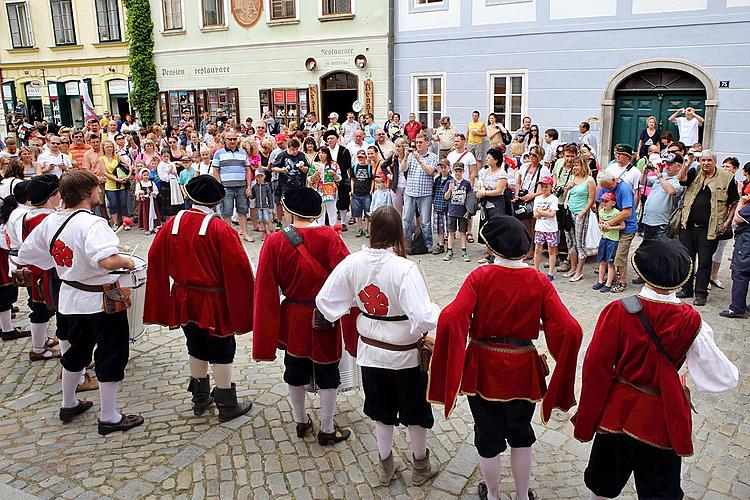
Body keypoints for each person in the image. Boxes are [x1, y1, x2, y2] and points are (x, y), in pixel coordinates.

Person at [428, 216, 582, 500]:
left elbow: (450, 317)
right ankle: (523, 496)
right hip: (523, 367)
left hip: (483, 366)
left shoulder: (480, 276)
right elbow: (571, 329)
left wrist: (453, 347)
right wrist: (559, 352)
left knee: (487, 436)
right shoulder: (539, 280)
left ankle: (494, 495)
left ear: (494, 248)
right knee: (521, 433)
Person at [574, 237, 738, 500]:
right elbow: (723, 378)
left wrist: (587, 419)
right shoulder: (691, 321)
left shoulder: (617, 311)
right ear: (683, 277)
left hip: (617, 412)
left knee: (603, 486)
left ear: (641, 270)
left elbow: (595, 368)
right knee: (659, 492)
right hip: (661, 418)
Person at [315, 206, 440, 486]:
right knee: (415, 411)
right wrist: (437, 312)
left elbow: (325, 301)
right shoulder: (405, 268)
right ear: (398, 233)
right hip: (404, 356)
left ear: (371, 230)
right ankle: (420, 466)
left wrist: (350, 306)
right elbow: (422, 318)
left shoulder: (352, 262)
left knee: (380, 410)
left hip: (370, 353)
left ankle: (385, 466)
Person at [19, 170, 145, 435]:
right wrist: (129, 261)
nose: (99, 192)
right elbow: (107, 261)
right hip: (99, 300)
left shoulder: (51, 221)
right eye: (97, 189)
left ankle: (69, 403)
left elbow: (28, 253)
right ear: (88, 193)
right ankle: (109, 416)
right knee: (111, 353)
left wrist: (66, 265)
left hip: (69, 298)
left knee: (74, 351)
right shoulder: (92, 224)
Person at [144, 175, 254, 422]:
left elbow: (155, 257)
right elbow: (238, 267)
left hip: (183, 296)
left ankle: (200, 397)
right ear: (217, 201)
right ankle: (226, 404)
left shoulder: (172, 224)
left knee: (194, 343)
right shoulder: (221, 229)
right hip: (213, 300)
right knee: (222, 347)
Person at [253, 188, 354, 446]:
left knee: (294, 369)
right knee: (327, 371)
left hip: (294, 316)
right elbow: (348, 276)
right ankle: (328, 429)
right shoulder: (330, 238)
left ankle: (300, 421)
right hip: (325, 315)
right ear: (317, 211)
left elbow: (264, 287)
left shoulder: (275, 241)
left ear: (288, 211)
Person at [676, 149, 738, 306]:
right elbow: (681, 180)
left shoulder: (727, 177)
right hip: (688, 225)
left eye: (709, 160)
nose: (705, 163)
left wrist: (727, 221)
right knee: (687, 259)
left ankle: (701, 293)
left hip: (709, 228)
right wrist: (686, 163)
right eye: (703, 160)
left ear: (715, 161)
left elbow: (733, 202)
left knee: (704, 262)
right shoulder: (694, 171)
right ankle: (686, 289)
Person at [597, 171, 638, 293]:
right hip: (610, 229)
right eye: (604, 187)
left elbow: (627, 212)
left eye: (608, 187)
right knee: (610, 256)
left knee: (620, 256)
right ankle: (612, 278)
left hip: (627, 228)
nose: (606, 190)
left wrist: (609, 223)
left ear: (614, 180)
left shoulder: (624, 189)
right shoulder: (605, 186)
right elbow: (600, 205)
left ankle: (622, 282)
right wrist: (601, 220)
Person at [212, 130, 253, 242]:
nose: (233, 141)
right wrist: (220, 185)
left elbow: (248, 170)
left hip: (241, 186)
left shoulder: (243, 153)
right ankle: (228, 236)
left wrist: (248, 186)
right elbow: (215, 171)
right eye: (230, 139)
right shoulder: (218, 153)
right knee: (227, 212)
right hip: (226, 187)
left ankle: (244, 233)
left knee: (243, 210)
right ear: (225, 140)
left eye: (235, 139)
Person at [401, 133, 438, 250]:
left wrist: (420, 160)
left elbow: (430, 171)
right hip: (410, 191)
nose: (418, 145)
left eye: (420, 142)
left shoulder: (433, 157)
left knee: (426, 221)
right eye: (416, 143)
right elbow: (403, 169)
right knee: (406, 219)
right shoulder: (411, 156)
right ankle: (404, 242)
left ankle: (428, 244)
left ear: (426, 143)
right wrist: (406, 157)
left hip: (425, 193)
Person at [562, 156, 597, 282]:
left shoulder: (590, 180)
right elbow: (566, 195)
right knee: (570, 242)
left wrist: (583, 212)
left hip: (580, 213)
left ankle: (579, 271)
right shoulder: (572, 178)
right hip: (569, 212)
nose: (575, 167)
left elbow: (591, 199)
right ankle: (572, 268)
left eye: (577, 165)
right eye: (574, 165)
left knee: (580, 243)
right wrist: (568, 188)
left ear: (583, 166)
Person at [720, 192, 750, 318]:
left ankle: (737, 308)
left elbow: (737, 218)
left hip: (746, 243)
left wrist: (741, 203)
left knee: (740, 274)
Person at [592, 192, 623, 293]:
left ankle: (608, 283)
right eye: (603, 201)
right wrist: (601, 226)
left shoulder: (616, 213)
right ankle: (600, 281)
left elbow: (622, 226)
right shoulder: (601, 211)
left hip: (612, 240)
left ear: (613, 203)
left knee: (610, 263)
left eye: (606, 201)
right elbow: (600, 222)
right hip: (603, 238)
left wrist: (610, 227)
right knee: (602, 261)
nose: (604, 203)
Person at [99, 140, 132, 230]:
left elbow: (128, 165)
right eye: (107, 147)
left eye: (110, 146)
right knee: (113, 204)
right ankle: (115, 223)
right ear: (104, 148)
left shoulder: (117, 156)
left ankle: (125, 222)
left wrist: (128, 176)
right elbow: (104, 173)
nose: (109, 148)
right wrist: (117, 179)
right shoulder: (102, 159)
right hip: (110, 184)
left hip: (121, 183)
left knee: (123, 204)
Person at [443, 162, 472, 262]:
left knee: (463, 232)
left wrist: (468, 211)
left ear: (463, 171)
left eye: (460, 171)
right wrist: (450, 190)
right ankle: (449, 250)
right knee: (451, 232)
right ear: (453, 171)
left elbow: (469, 198)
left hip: (462, 212)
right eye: (456, 171)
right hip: (452, 211)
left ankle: (464, 251)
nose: (458, 173)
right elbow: (446, 197)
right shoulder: (449, 182)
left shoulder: (466, 184)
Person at [533, 176, 559, 281]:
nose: (544, 189)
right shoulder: (537, 199)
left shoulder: (554, 199)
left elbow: (552, 214)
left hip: (551, 228)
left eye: (546, 186)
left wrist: (541, 211)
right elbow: (535, 214)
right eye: (542, 186)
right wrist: (545, 212)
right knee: (537, 249)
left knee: (552, 251)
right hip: (539, 227)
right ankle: (535, 269)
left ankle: (551, 272)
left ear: (550, 187)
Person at [307, 146, 340, 227]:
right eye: (319, 153)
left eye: (323, 153)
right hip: (318, 189)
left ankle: (333, 229)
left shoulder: (333, 164)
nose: (321, 155)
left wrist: (334, 174)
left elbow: (339, 178)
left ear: (327, 154)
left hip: (330, 188)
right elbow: (310, 179)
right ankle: (321, 228)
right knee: (321, 210)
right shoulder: (315, 165)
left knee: (331, 210)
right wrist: (315, 175)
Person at [431, 160, 452, 255]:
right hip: (437, 204)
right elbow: (434, 192)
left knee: (448, 226)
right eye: (441, 167)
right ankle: (441, 245)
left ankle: (450, 246)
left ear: (448, 167)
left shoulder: (451, 180)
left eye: (445, 167)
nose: (443, 170)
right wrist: (433, 201)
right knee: (439, 227)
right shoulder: (437, 179)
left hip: (447, 206)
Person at [351, 149, 373, 237]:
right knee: (357, 212)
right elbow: (352, 179)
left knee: (367, 212)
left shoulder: (369, 167)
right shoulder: (355, 167)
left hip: (366, 193)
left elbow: (372, 180)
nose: (361, 159)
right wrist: (352, 189)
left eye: (362, 157)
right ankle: (360, 228)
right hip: (356, 192)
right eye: (359, 157)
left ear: (365, 157)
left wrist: (371, 190)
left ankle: (366, 228)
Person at [135, 166, 160, 234]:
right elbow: (136, 191)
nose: (146, 176)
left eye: (147, 175)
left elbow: (156, 190)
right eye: (144, 175)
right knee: (146, 213)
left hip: (152, 201)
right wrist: (140, 192)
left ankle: (154, 227)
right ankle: (147, 228)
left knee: (154, 213)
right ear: (141, 176)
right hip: (145, 202)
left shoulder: (152, 183)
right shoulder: (139, 183)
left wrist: (153, 193)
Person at [251, 169, 274, 238]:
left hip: (265, 206)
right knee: (260, 220)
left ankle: (271, 232)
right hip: (258, 206)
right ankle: (264, 233)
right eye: (258, 177)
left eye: (261, 176)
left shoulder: (267, 186)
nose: (260, 178)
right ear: (256, 177)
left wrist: (271, 207)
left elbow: (270, 197)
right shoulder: (254, 187)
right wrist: (250, 196)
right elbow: (253, 196)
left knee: (267, 219)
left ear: (264, 176)